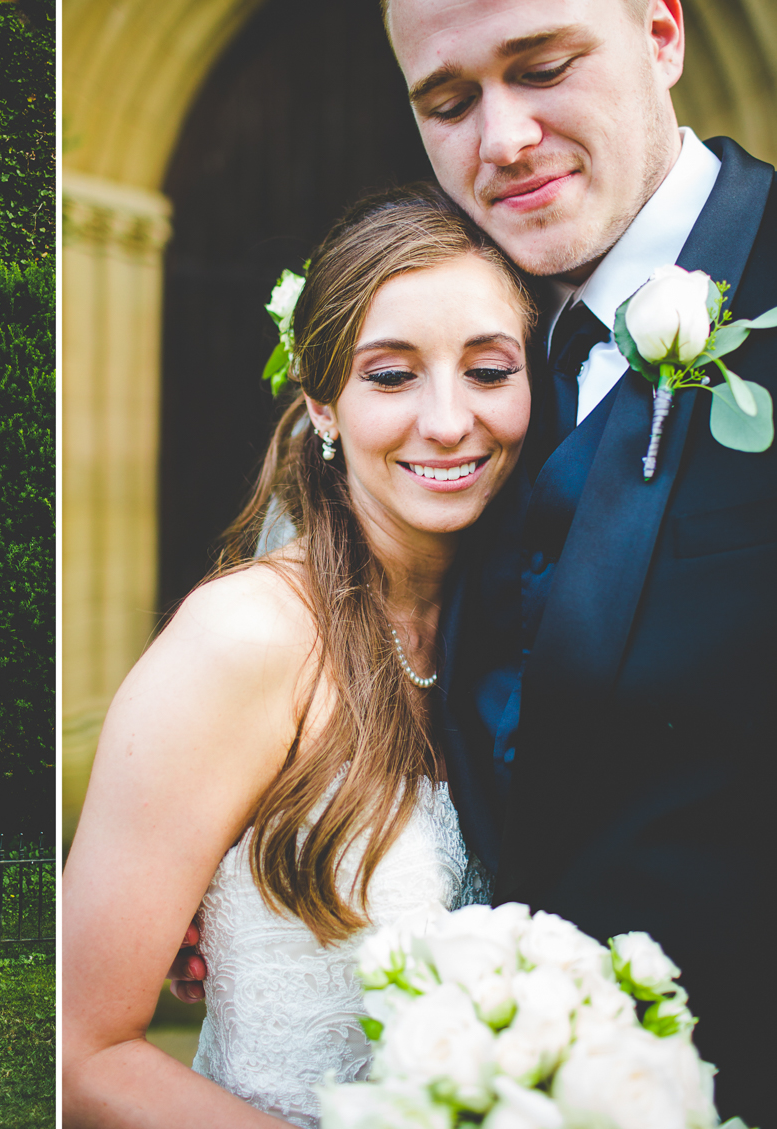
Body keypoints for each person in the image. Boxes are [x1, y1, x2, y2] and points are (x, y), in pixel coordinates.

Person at [169, 0, 777, 1117]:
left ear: (661, 34)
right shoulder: (480, 329)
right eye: (446, 102)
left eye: (542, 67)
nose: (499, 141)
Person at [63, 185, 536, 1126]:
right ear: (322, 404)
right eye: (391, 376)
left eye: (488, 370)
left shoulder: (519, 628)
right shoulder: (244, 641)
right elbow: (83, 1055)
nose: (447, 421)